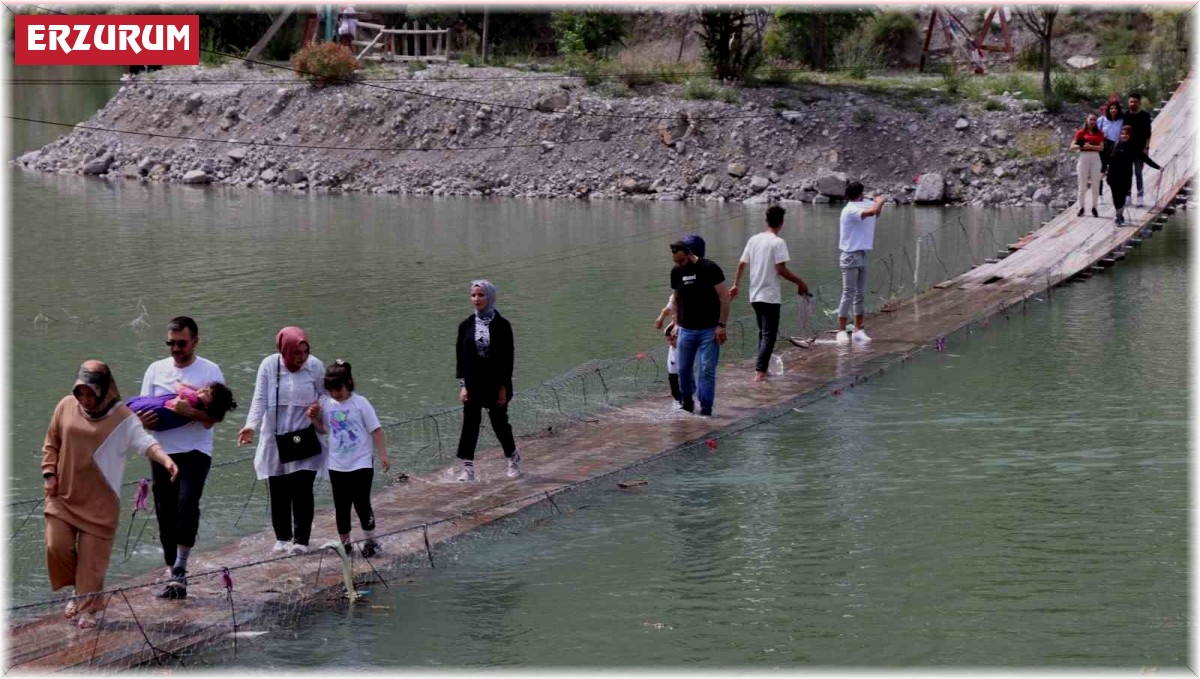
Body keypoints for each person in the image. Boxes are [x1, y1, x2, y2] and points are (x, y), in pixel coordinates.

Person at [42, 361, 178, 629]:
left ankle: (88, 609)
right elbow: (51, 442)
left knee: (92, 562)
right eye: (81, 392)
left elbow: (145, 442)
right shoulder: (65, 406)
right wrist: (49, 474)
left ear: (105, 390)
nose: (86, 399)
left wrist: (166, 460)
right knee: (56, 547)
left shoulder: (123, 417)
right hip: (63, 496)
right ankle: (78, 590)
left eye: (91, 393)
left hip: (100, 504)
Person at [137, 316, 226, 600]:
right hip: (161, 450)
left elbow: (213, 418)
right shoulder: (155, 370)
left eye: (182, 343)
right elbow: (140, 412)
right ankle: (170, 572)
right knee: (165, 511)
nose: (176, 349)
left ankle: (181, 567)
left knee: (187, 503)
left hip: (195, 451)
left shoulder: (210, 371)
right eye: (171, 343)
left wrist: (190, 413)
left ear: (195, 342)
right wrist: (144, 422)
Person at [237, 327, 327, 556]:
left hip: (302, 434)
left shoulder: (315, 367)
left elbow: (325, 394)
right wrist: (250, 426)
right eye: (297, 352)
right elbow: (259, 397)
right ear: (285, 350)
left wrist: (319, 407)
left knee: (302, 488)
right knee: (278, 488)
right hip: (274, 436)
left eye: (305, 352)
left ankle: (301, 540)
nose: (301, 357)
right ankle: (282, 537)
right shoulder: (269, 365)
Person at [311, 360, 390, 557]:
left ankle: (371, 540)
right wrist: (313, 419)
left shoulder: (360, 403)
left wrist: (382, 455)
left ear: (349, 383)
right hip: (337, 465)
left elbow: (376, 430)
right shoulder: (326, 404)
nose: (336, 394)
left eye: (339, 389)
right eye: (331, 390)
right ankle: (345, 544)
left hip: (361, 462)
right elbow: (324, 430)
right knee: (341, 506)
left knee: (362, 503)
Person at [729, 204, 809, 382]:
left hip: (754, 295)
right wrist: (800, 282)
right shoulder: (777, 242)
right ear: (782, 223)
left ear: (766, 220)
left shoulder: (754, 240)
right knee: (769, 335)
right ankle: (760, 373)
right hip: (770, 296)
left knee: (763, 333)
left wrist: (736, 285)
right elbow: (781, 269)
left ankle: (762, 369)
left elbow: (741, 264)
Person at [455, 280, 520, 482]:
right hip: (473, 382)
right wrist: (463, 385)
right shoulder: (466, 325)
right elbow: (460, 357)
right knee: (470, 423)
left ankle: (513, 458)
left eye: (481, 295)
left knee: (499, 423)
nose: (477, 299)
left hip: (496, 382)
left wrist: (502, 388)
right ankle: (468, 468)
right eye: (473, 295)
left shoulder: (502, 325)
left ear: (490, 297)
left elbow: (508, 358)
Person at [669, 239, 730, 416]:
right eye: (675, 261)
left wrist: (722, 325)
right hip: (686, 329)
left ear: (689, 254)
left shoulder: (709, 268)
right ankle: (687, 402)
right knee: (683, 369)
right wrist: (676, 323)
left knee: (706, 370)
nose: (679, 264)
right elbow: (676, 299)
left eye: (681, 260)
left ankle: (706, 408)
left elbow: (724, 297)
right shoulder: (676, 272)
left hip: (709, 330)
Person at [836, 182, 885, 344]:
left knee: (860, 294)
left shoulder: (862, 204)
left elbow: (876, 213)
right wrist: (880, 201)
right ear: (860, 194)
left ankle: (858, 330)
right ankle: (841, 331)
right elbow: (872, 212)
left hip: (863, 254)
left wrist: (877, 204)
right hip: (849, 256)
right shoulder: (850, 210)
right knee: (848, 293)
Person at [1106, 124, 1162, 226]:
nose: (1124, 135)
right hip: (1113, 175)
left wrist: (1158, 167)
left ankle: (1119, 215)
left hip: (1125, 176)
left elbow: (1145, 159)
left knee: (1122, 197)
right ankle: (1118, 214)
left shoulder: (1134, 147)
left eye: (1126, 134)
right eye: (1122, 133)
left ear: (1130, 135)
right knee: (1115, 197)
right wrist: (1103, 171)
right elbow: (1106, 159)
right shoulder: (1116, 144)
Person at [126, 382, 236, 432]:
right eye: (205, 388)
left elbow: (178, 385)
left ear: (209, 405)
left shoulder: (193, 398)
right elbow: (210, 421)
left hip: (160, 411)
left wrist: (188, 388)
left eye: (207, 392)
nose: (202, 390)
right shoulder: (204, 413)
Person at [1070, 114, 1105, 218]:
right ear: (1087, 120)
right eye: (1091, 119)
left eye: (1094, 120)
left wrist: (1091, 146)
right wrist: (1082, 146)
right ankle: (1081, 207)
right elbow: (1072, 147)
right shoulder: (1080, 133)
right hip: (1084, 156)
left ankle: (1094, 207)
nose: (1092, 121)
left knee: (1095, 184)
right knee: (1082, 184)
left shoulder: (1099, 133)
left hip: (1095, 157)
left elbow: (1101, 148)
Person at [1125, 92, 1154, 208]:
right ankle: (1127, 196)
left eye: (1135, 102)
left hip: (1140, 149)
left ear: (1139, 103)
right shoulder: (1126, 115)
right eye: (1131, 101)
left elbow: (1148, 134)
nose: (1133, 103)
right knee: (1127, 173)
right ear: (1128, 102)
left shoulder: (1145, 116)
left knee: (1138, 173)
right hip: (1127, 149)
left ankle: (1140, 197)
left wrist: (1147, 148)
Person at [1096, 100, 1124, 196]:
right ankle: (1099, 194)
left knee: (1113, 169)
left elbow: (1124, 133)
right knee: (1100, 169)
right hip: (1103, 144)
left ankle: (1118, 191)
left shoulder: (1122, 120)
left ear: (1118, 110)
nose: (1113, 110)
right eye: (1111, 108)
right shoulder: (1102, 119)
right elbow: (1095, 132)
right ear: (1108, 109)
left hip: (1115, 145)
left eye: (1115, 108)